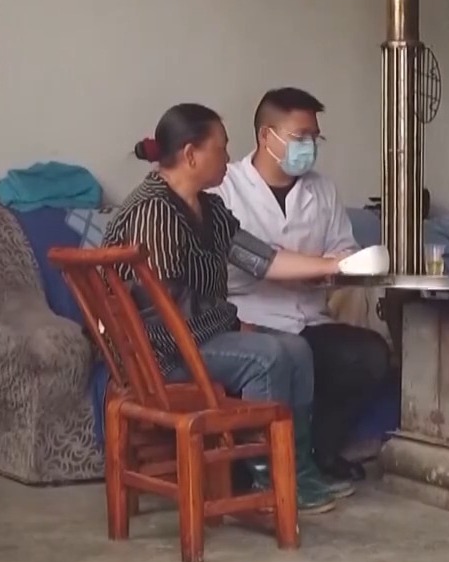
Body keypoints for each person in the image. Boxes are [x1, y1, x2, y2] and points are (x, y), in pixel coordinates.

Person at [103, 102, 349, 514]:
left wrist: (331, 266)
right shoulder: (155, 211)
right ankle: (268, 481)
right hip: (158, 354)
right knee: (267, 357)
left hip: (194, 339)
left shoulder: (209, 209)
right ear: (191, 155)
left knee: (297, 348)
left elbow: (260, 258)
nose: (228, 157)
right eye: (221, 147)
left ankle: (299, 470)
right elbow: (163, 310)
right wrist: (235, 324)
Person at [211, 87, 393, 483]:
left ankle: (320, 451)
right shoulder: (223, 190)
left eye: (315, 137)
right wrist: (318, 264)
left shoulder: (322, 189)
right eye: (300, 137)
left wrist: (337, 268)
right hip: (251, 318)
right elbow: (255, 260)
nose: (309, 146)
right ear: (266, 136)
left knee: (370, 356)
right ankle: (256, 465)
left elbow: (343, 250)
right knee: (279, 356)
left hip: (309, 317)